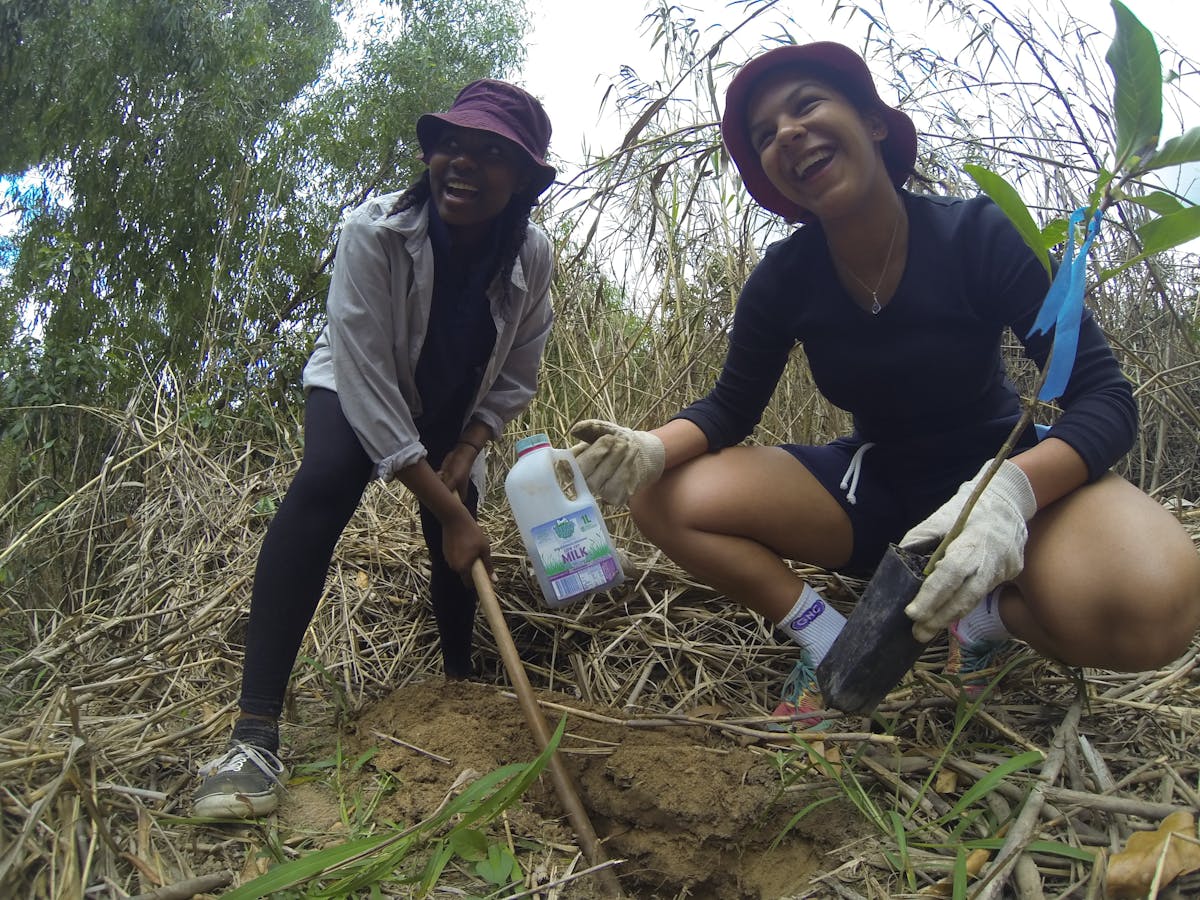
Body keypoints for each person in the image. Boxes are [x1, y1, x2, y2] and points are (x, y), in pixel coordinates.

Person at [571, 42, 1200, 727]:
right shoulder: (783, 280)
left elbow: (1104, 395)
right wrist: (648, 450)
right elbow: (729, 407)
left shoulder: (978, 236)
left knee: (1155, 610)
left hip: (1004, 474)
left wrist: (1008, 499)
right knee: (664, 496)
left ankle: (984, 622)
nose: (786, 132)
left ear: (874, 122)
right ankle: (829, 638)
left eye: (807, 104)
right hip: (874, 492)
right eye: (764, 134)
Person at [193, 79, 558, 817]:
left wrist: (470, 445)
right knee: (329, 476)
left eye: (490, 153)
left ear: (523, 178)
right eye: (450, 144)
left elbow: (520, 368)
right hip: (358, 382)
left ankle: (460, 691)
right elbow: (364, 382)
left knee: (456, 521)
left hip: (453, 408)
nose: (462, 163)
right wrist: (444, 501)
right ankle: (255, 734)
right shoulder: (374, 232)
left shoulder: (532, 258)